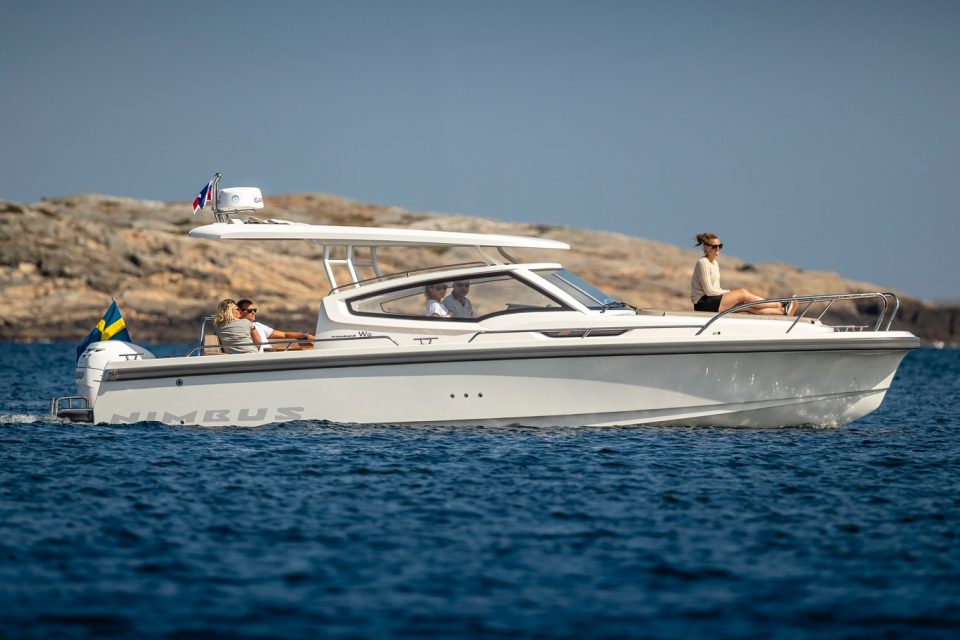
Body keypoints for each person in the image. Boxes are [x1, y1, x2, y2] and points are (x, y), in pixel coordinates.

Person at [690, 233, 796, 316]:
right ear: (706, 247)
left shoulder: (715, 264)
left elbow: (715, 288)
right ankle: (781, 303)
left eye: (720, 246)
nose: (718, 248)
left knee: (747, 306)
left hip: (712, 301)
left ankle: (782, 311)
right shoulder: (703, 263)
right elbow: (709, 291)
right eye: (714, 246)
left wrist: (728, 294)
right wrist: (729, 293)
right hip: (703, 303)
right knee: (742, 293)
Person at [236, 298, 314, 351]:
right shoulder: (237, 328)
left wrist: (305, 336)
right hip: (265, 357)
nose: (253, 312)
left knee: (308, 347)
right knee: (304, 349)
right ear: (240, 311)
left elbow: (284, 335)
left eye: (254, 310)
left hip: (272, 354)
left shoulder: (258, 325)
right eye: (250, 311)